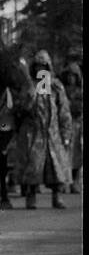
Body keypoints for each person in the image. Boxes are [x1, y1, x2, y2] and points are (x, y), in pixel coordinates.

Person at [14, 48, 72, 209]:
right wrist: (29, 98)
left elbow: (64, 111)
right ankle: (30, 197)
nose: (41, 70)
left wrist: (66, 134)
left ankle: (57, 196)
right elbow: (19, 109)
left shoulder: (56, 86)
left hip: (52, 133)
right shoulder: (28, 86)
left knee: (56, 167)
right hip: (33, 133)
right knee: (32, 166)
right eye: (38, 67)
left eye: (43, 67)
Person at [58, 53, 82, 194]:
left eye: (73, 75)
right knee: (64, 154)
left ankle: (75, 180)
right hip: (65, 126)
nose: (70, 78)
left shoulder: (80, 90)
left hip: (78, 125)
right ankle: (65, 181)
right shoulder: (61, 89)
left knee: (77, 155)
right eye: (68, 75)